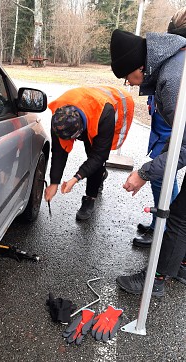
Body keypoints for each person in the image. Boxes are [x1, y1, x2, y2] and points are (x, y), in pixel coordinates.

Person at [110, 27, 186, 296]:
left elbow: (184, 146)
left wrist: (144, 173)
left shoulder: (173, 78)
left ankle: (156, 279)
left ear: (141, 67)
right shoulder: (175, 63)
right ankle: (180, 264)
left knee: (178, 218)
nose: (129, 84)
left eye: (128, 77)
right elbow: (178, 137)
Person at [134, 7, 186, 248]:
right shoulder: (172, 61)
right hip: (163, 128)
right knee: (161, 172)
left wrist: (144, 173)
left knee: (163, 174)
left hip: (172, 130)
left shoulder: (176, 73)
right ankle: (159, 223)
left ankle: (165, 229)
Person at [44, 85, 134, 220]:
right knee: (76, 155)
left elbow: (98, 156)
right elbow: (58, 152)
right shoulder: (59, 119)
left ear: (81, 132)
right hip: (85, 106)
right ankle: (100, 176)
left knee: (96, 160)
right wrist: (54, 182)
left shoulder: (104, 114)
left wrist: (75, 178)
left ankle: (90, 197)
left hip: (109, 110)